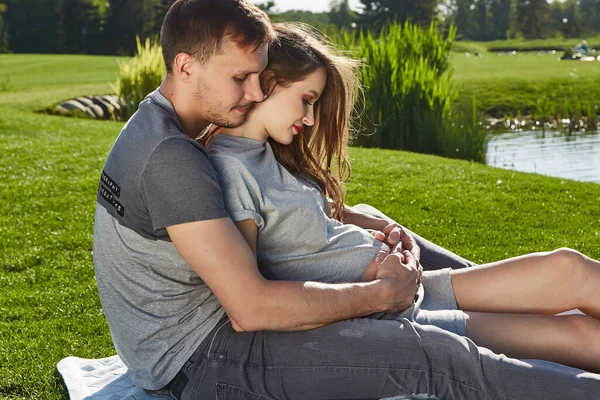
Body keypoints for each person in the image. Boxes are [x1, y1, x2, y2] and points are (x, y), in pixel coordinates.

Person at [92, 1, 600, 399]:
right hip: (200, 362)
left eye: (260, 77)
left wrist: (356, 222)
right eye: (240, 79)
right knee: (433, 354)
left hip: (194, 342)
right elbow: (250, 307)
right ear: (185, 66)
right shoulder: (174, 159)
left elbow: (275, 226)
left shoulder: (165, 129)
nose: (252, 92)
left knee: (488, 320)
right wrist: (382, 295)